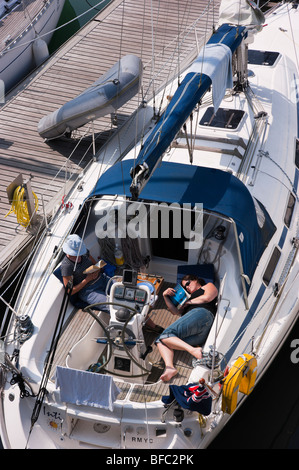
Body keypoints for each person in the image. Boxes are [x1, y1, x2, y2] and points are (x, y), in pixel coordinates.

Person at [156, 274, 218, 382]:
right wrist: (165, 296)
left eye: (188, 284)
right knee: (161, 340)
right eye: (184, 288)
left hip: (203, 315)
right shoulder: (186, 299)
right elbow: (174, 311)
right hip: (200, 335)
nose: (187, 288)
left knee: (166, 334)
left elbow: (208, 297)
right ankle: (170, 368)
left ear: (195, 279)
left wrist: (189, 302)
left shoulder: (207, 286)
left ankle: (193, 350)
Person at [61, 234, 110, 312]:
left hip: (101, 279)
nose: (80, 256)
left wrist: (97, 270)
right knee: (112, 306)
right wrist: (87, 279)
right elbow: (70, 291)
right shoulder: (66, 266)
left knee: (124, 290)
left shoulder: (84, 252)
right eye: (76, 254)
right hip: (88, 291)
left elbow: (95, 265)